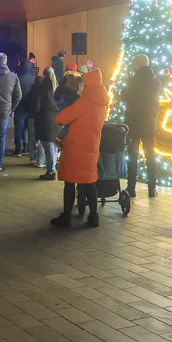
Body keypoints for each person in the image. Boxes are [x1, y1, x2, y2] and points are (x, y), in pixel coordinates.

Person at [52, 68, 109, 228]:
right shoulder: (102, 102)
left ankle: (66, 217)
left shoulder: (84, 102)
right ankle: (94, 217)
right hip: (92, 145)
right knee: (89, 182)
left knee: (70, 182)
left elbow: (61, 118)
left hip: (76, 147)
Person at [121, 54, 162, 198]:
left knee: (132, 156)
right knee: (150, 155)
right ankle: (152, 188)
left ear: (137, 64)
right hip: (149, 122)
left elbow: (123, 96)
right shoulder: (156, 82)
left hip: (133, 123)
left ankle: (131, 187)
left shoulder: (131, 81)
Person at [32, 67, 61, 180]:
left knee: (47, 146)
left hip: (45, 120)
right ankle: (52, 169)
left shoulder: (41, 88)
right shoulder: (57, 87)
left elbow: (37, 106)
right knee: (53, 146)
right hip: (57, 120)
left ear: (44, 76)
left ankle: (51, 171)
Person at [12, 60, 37, 157]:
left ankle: (18, 150)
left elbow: (14, 93)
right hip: (31, 107)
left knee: (18, 128)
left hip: (20, 107)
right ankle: (28, 148)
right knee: (29, 128)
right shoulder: (34, 79)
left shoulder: (18, 78)